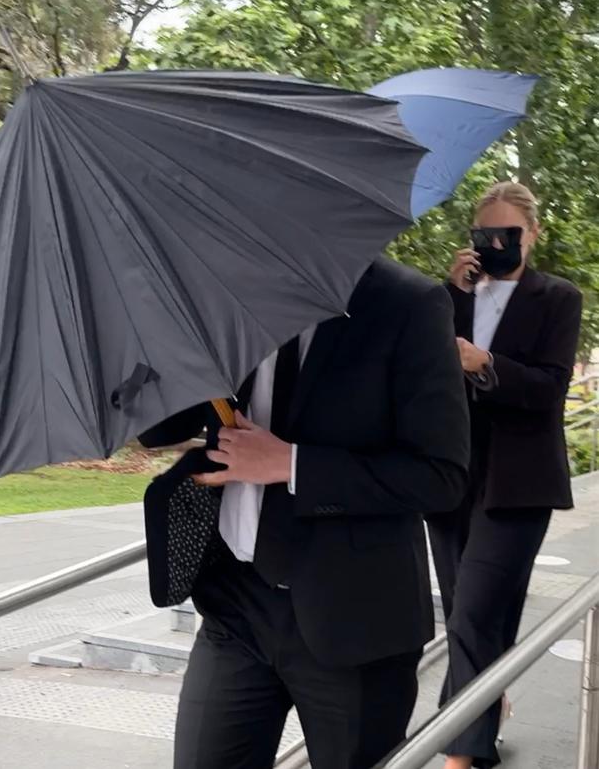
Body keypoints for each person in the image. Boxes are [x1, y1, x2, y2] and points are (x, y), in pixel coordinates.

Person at [139, 257, 470, 769]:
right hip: (234, 607)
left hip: (355, 620)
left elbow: (440, 476)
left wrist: (291, 464)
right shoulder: (220, 297)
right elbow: (158, 428)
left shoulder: (408, 303)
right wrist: (154, 337)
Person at [427, 181, 583, 769]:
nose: (494, 243)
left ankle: (458, 757)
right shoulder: (451, 300)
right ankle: (485, 709)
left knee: (474, 615)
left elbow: (548, 388)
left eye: (507, 233)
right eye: (483, 233)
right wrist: (448, 291)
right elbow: (422, 375)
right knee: (468, 612)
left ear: (532, 234)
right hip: (451, 476)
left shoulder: (557, 298)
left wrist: (486, 363)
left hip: (520, 481)